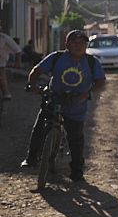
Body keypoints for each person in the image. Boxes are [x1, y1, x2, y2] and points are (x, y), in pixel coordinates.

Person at [21, 29, 106, 182]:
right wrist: (32, 85)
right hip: (55, 98)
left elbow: (100, 81)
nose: (78, 45)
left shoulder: (92, 62)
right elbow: (37, 70)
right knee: (40, 126)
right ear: (66, 44)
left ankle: (77, 171)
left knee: (76, 139)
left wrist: (87, 93)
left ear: (86, 45)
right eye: (74, 42)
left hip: (76, 105)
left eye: (82, 42)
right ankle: (31, 158)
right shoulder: (56, 57)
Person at [0, 31, 22, 100]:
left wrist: (18, 62)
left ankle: (6, 92)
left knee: (1, 76)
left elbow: (17, 50)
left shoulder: (5, 38)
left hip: (1, 61)